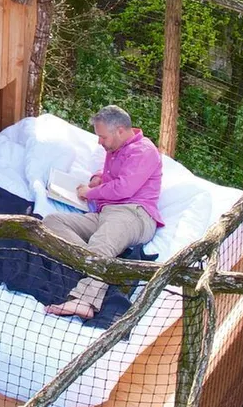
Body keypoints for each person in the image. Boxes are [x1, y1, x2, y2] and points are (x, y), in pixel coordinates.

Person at [43, 105, 163, 320]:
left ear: (120, 130)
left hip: (134, 214)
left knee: (102, 241)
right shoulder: (116, 147)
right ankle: (100, 262)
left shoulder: (144, 151)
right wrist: (98, 177)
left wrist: (90, 192)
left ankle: (84, 300)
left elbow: (124, 188)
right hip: (105, 213)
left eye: (102, 137)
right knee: (51, 222)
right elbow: (114, 174)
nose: (99, 142)